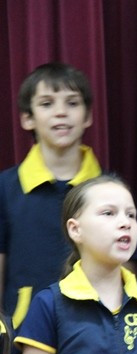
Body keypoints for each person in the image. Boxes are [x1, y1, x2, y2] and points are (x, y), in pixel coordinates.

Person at [15, 175, 137, 354]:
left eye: (131, 215)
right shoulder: (49, 305)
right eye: (108, 213)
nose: (125, 223)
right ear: (75, 229)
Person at [0, 62, 101, 333]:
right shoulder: (5, 188)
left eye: (72, 103)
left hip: (94, 335)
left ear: (88, 116)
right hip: (23, 335)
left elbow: (125, 269)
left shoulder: (107, 189)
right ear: (27, 118)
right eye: (46, 104)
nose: (60, 112)